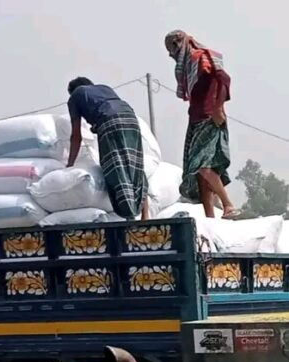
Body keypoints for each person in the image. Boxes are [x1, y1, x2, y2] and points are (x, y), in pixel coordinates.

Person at [165, 30, 238, 219]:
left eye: (171, 50)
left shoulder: (201, 58)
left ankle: (228, 204)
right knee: (199, 175)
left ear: (177, 44)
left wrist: (219, 107)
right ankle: (210, 218)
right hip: (195, 120)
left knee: (203, 165)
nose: (171, 55)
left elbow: (224, 79)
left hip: (209, 118)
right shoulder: (189, 65)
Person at [67, 77, 149, 220]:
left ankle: (129, 217)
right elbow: (110, 107)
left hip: (109, 122)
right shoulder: (104, 88)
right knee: (135, 166)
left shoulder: (75, 96)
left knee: (116, 167)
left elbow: (76, 136)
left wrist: (70, 164)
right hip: (131, 119)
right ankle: (145, 216)